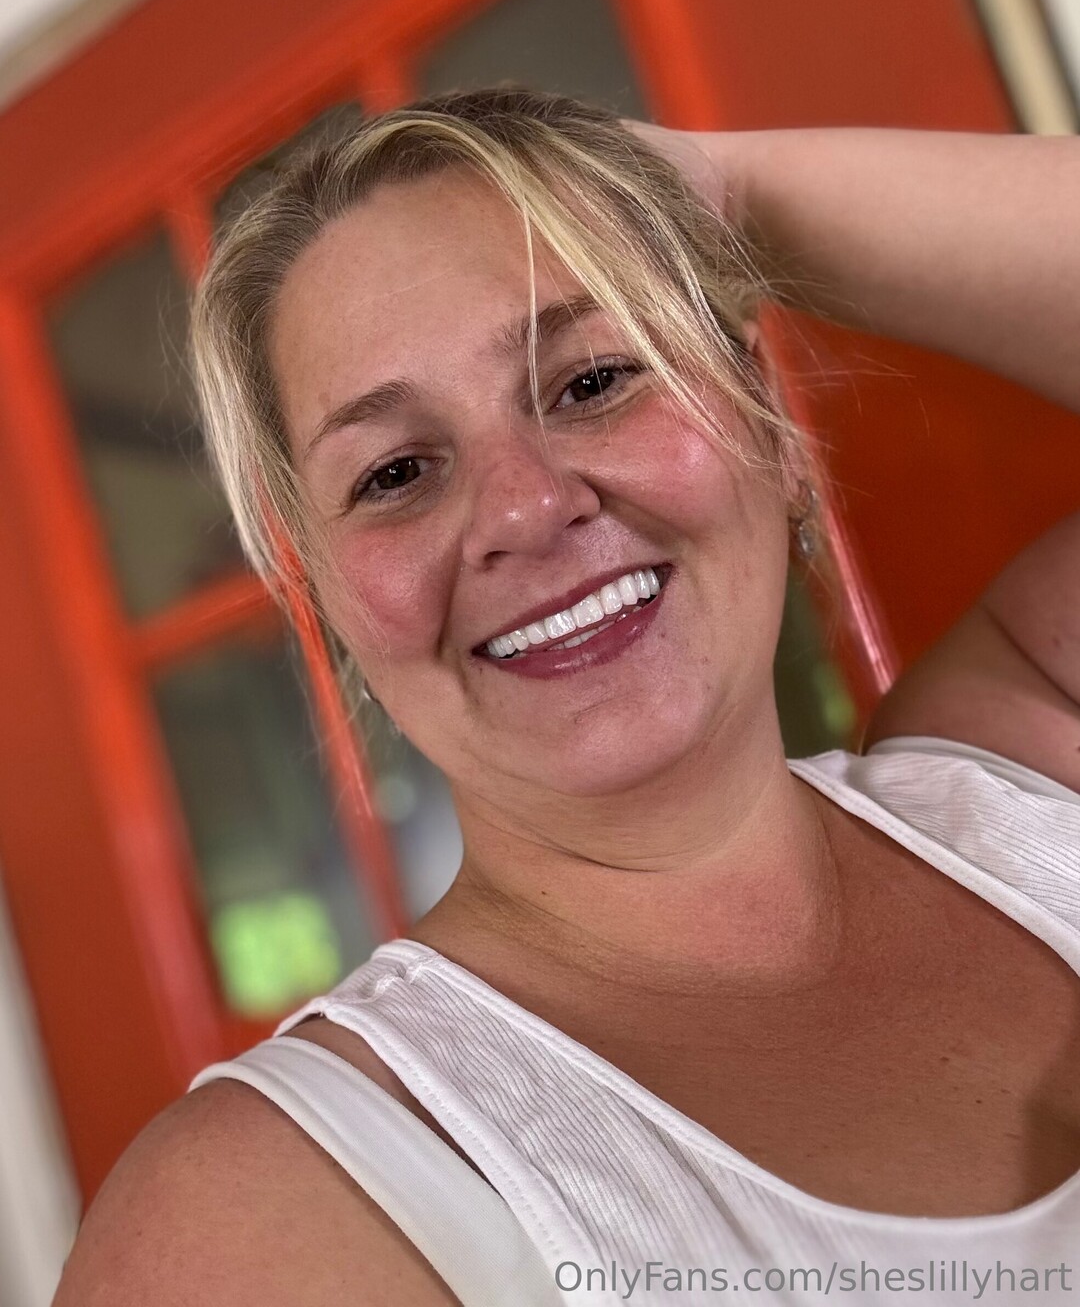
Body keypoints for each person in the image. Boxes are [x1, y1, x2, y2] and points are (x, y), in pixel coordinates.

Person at [55, 88, 1080, 1307]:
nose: (528, 508)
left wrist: (727, 193)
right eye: (395, 471)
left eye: (593, 379)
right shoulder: (260, 1212)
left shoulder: (1031, 762)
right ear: (324, 600)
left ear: (764, 423)